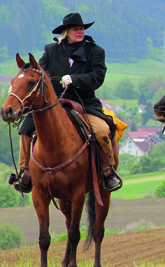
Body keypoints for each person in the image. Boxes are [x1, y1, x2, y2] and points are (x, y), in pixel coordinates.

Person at [10, 12, 122, 193]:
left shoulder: (96, 52)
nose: (80, 31)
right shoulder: (51, 50)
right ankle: (25, 172)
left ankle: (107, 172)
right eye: (76, 29)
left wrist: (75, 79)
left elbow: (97, 77)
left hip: (84, 102)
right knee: (25, 129)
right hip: (53, 103)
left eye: (82, 28)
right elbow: (40, 73)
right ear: (66, 32)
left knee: (102, 130)